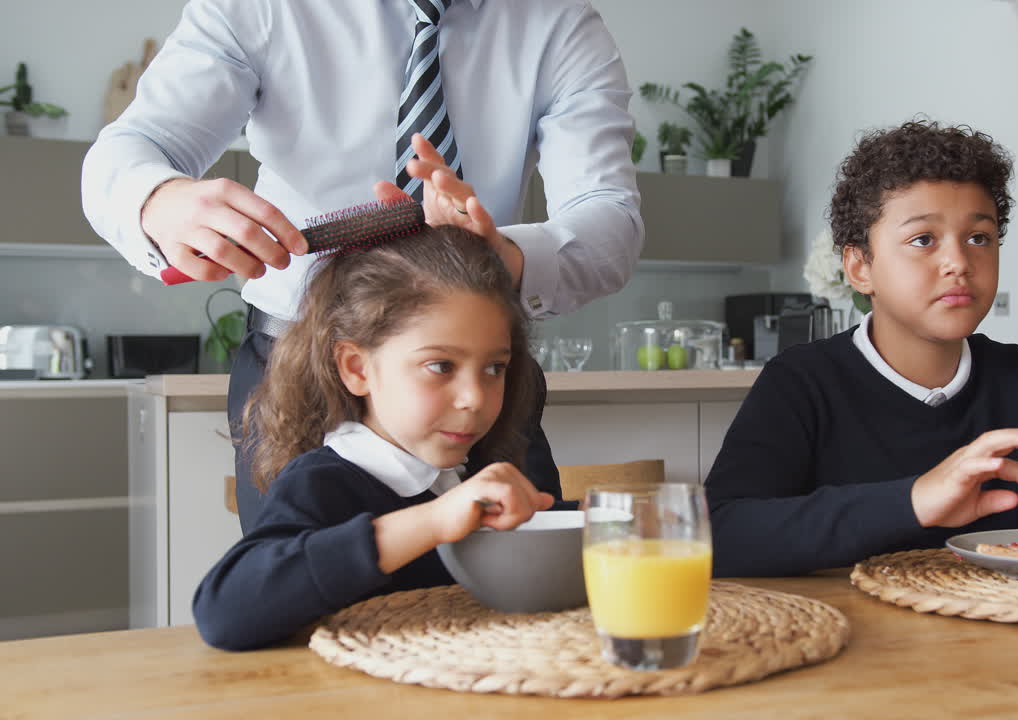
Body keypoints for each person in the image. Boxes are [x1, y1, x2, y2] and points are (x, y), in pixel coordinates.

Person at [80, 0, 644, 531]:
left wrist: (502, 255)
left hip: (468, 373)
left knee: (521, 603)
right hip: (298, 369)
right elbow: (135, 144)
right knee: (303, 607)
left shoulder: (561, 22)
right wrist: (157, 199)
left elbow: (610, 219)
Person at [704, 120, 1018, 578]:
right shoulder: (801, 382)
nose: (959, 262)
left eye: (979, 238)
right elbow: (721, 534)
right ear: (860, 266)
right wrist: (914, 500)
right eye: (923, 240)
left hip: (999, 655)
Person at [193, 224, 562, 650]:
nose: (474, 398)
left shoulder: (479, 468)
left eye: (494, 368)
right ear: (356, 368)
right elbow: (224, 613)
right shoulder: (323, 482)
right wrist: (434, 521)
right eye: (441, 366)